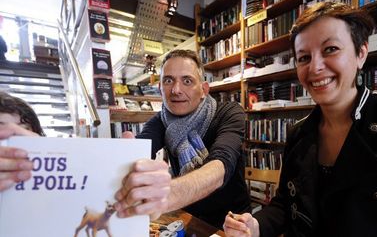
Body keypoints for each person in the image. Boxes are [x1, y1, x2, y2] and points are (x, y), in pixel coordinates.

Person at [223, 1, 377, 237]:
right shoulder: (299, 133)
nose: (315, 68)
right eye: (303, 58)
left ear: (361, 53)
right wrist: (255, 226)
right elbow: (286, 204)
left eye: (330, 49)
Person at [115, 49, 251, 228]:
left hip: (232, 223)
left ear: (203, 90)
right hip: (187, 218)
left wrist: (167, 195)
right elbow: (139, 150)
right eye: (168, 81)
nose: (176, 90)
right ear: (160, 89)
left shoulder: (229, 112)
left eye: (187, 81)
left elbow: (221, 165)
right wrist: (123, 159)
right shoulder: (162, 120)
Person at [0, 92, 170, 219]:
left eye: (25, 129)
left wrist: (147, 202)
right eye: (2, 131)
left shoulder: (64, 181)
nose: (16, 136)